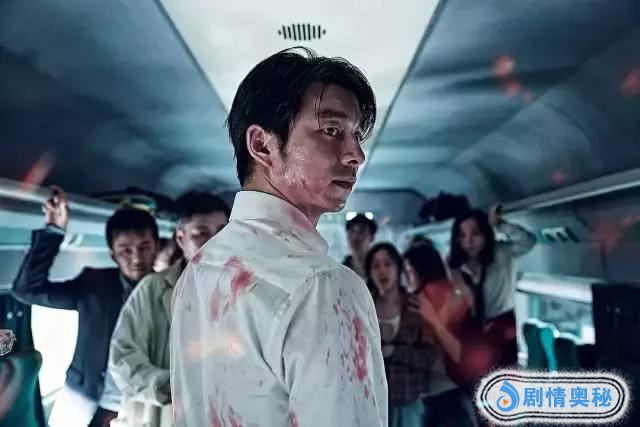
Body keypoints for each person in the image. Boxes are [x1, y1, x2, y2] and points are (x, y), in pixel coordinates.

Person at [170, 47, 387, 427]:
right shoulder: (322, 287)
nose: (357, 155)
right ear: (262, 145)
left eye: (356, 136)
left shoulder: (201, 268)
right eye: (331, 131)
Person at [12, 186, 159, 427]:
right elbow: (27, 290)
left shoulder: (169, 292)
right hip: (81, 393)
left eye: (144, 247)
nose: (136, 258)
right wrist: (54, 230)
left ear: (156, 247)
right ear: (112, 254)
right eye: (125, 250)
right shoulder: (94, 284)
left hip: (135, 400)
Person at [108, 191, 230, 427]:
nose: (216, 242)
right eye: (201, 233)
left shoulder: (244, 292)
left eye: (222, 232)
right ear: (181, 238)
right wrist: (176, 387)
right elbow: (122, 360)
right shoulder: (152, 288)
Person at [448, 204, 536, 366]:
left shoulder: (500, 253)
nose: (468, 241)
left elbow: (528, 241)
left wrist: (500, 225)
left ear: (485, 234)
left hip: (501, 325)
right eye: (462, 235)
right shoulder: (454, 265)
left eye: (475, 233)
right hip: (469, 331)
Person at [404, 244, 478, 427]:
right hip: (437, 395)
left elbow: (457, 353)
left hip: (446, 394)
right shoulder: (419, 302)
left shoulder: (441, 300)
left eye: (409, 270)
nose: (407, 277)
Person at [364, 243, 434, 427]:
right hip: (371, 404)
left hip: (409, 401)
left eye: (388, 264)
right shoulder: (363, 308)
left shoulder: (416, 306)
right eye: (376, 266)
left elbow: (429, 357)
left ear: (398, 268)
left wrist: (395, 352)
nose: (382, 271)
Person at [343, 213, 377, 278]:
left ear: (372, 237)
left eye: (361, 231)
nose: (355, 237)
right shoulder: (341, 270)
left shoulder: (380, 267)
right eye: (351, 231)